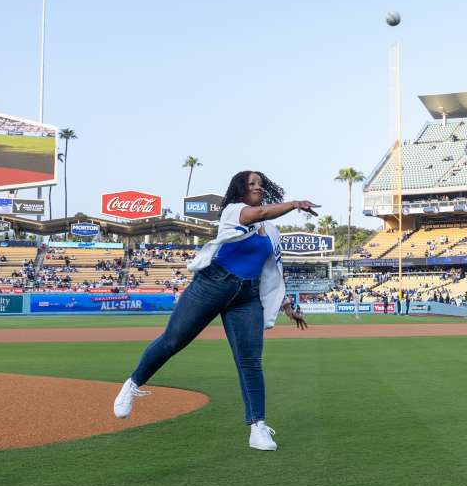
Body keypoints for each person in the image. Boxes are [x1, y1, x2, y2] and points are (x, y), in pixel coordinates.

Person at [113, 171, 318, 452]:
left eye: (260, 184)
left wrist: (287, 307)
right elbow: (256, 214)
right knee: (173, 340)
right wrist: (294, 204)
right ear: (240, 190)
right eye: (251, 184)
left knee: (250, 361)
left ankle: (258, 427)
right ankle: (133, 383)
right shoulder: (234, 212)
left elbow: (273, 272)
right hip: (213, 284)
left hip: (247, 296)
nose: (257, 187)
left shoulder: (272, 231)